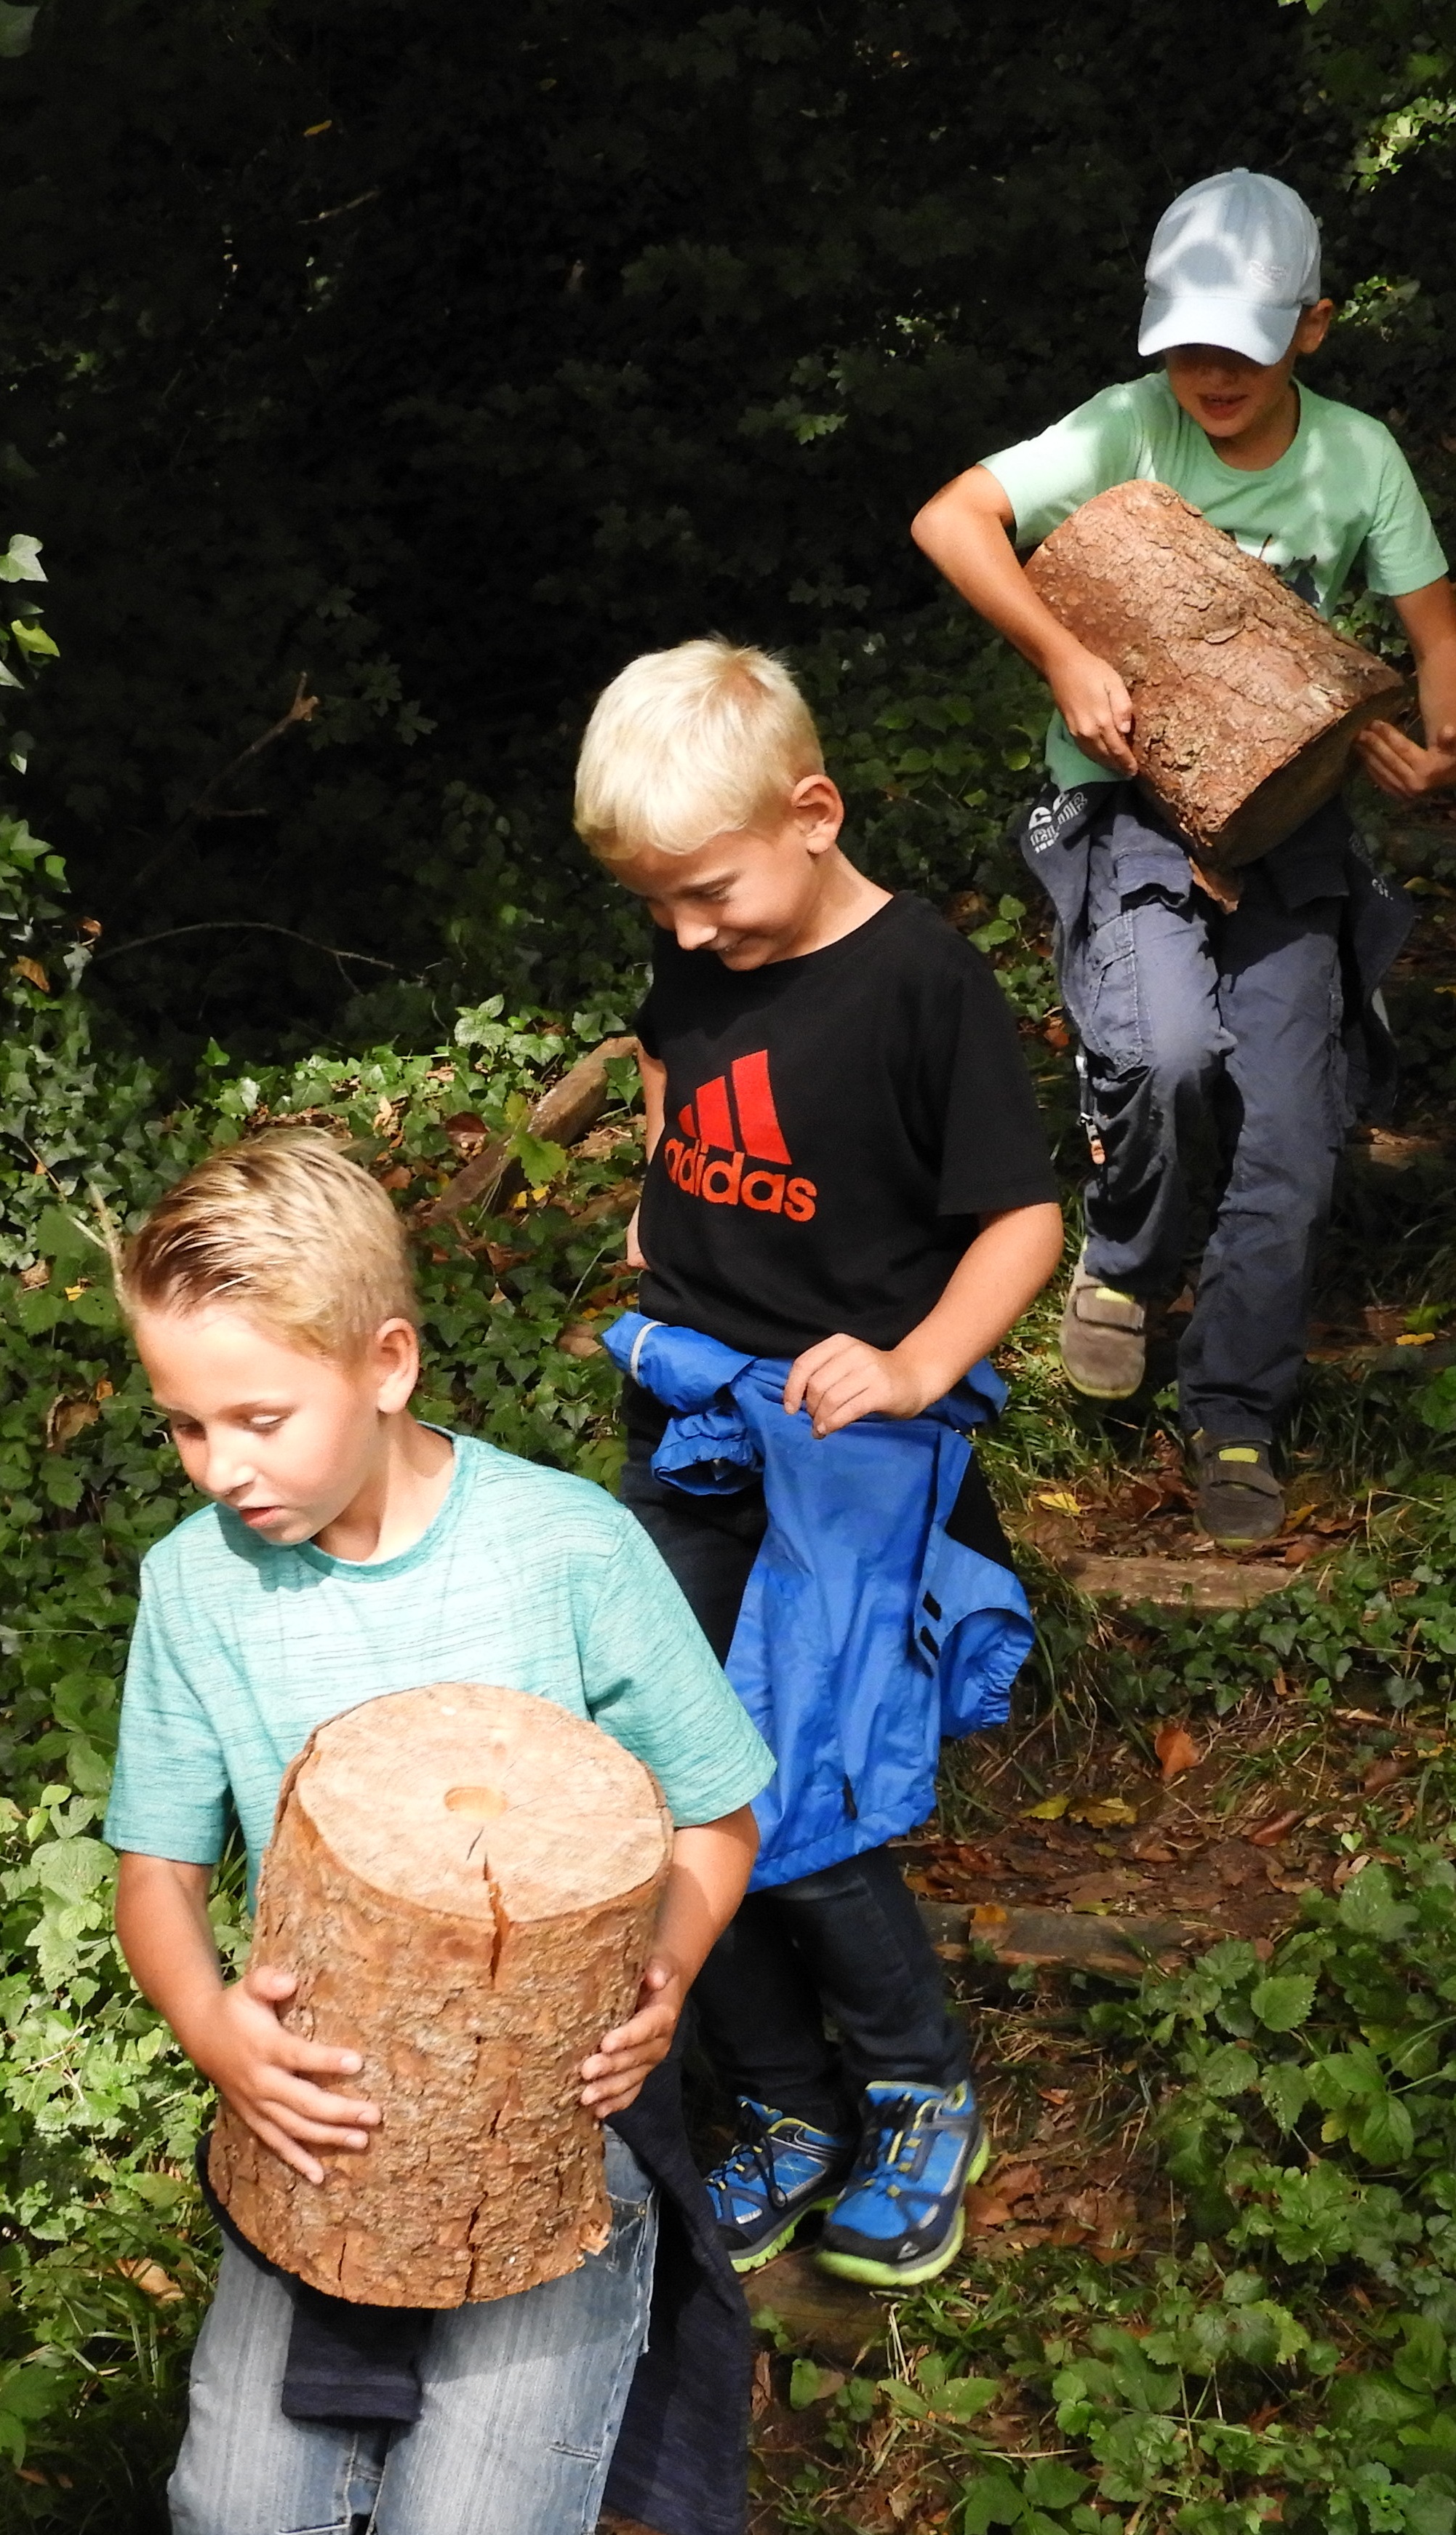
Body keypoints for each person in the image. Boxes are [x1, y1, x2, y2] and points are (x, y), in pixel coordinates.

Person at [102, 1128, 771, 2535]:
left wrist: (672, 1971)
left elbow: (718, 1810)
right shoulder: (199, 1594)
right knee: (240, 2516)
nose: (219, 1466)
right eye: (185, 1422)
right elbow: (156, 1874)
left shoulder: (561, 1554)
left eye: (260, 1417)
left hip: (544, 2146)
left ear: (388, 1361)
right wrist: (209, 2029)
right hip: (319, 2152)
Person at [573, 639, 1063, 2290]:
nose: (691, 933)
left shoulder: (919, 983)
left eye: (709, 893)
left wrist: (923, 1361)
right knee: (661, 1775)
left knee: (806, 1783)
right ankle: (781, 2100)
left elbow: (1023, 1215)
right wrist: (662, 1187)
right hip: (690, 1418)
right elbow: (670, 1057)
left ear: (814, 811)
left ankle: (917, 2087)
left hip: (847, 1448)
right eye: (661, 908)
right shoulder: (698, 946)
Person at [911, 167, 1456, 1546]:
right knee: (1165, 1056)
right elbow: (951, 517)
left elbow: (1439, 643)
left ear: (1314, 326)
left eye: (1241, 340)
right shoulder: (1127, 425)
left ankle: (1233, 1406)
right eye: (1186, 342)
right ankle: (1124, 1259)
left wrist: (1444, 737)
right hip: (1126, 817)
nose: (1209, 370)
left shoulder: (1359, 457)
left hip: (1294, 830)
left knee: (1291, 1122)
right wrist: (1063, 658)